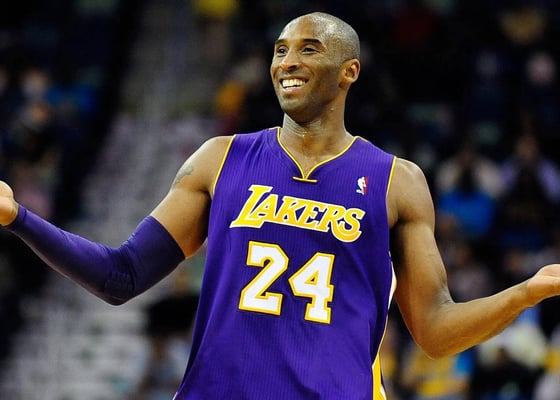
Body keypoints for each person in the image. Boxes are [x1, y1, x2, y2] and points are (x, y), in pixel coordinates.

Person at [0, 12, 559, 400]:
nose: (287, 61)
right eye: (280, 50)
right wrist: (19, 218)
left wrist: (526, 292)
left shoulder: (397, 182)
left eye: (308, 49)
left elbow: (434, 330)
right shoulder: (220, 159)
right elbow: (120, 275)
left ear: (349, 71)